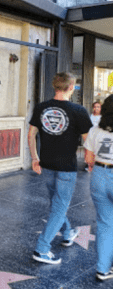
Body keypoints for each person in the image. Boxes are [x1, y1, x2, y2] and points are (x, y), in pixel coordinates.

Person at [28, 72, 93, 264]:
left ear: (54, 86)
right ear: (71, 87)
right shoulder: (78, 110)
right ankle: (41, 249)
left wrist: (34, 157)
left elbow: (31, 134)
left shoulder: (41, 107)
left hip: (46, 164)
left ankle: (67, 233)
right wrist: (92, 163)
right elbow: (88, 142)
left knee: (57, 204)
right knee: (59, 206)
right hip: (66, 168)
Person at [84, 94, 113, 281]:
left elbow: (88, 159)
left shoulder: (95, 130)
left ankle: (102, 269)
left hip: (99, 176)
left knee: (104, 224)